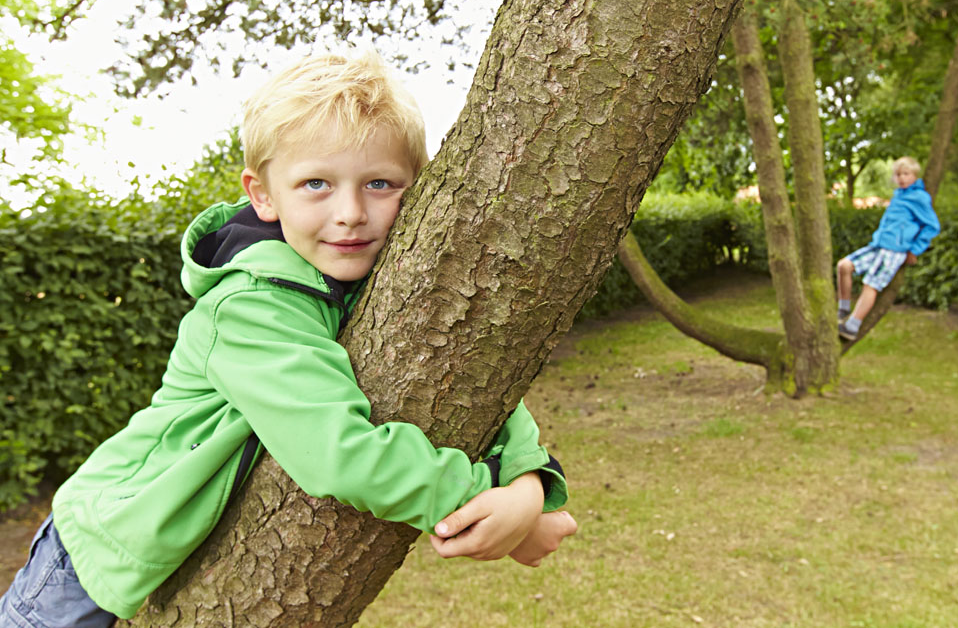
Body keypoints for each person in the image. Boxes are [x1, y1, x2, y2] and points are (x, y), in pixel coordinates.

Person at [0, 51, 577, 627]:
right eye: (316, 184)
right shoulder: (252, 305)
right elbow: (337, 452)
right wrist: (483, 501)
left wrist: (528, 481)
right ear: (264, 195)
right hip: (95, 547)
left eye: (380, 183)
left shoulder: (375, 280)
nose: (351, 213)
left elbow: (480, 376)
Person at [836, 156, 940, 342]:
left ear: (914, 175)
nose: (901, 178)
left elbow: (932, 226)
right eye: (898, 174)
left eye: (906, 174)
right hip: (878, 245)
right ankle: (843, 309)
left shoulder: (919, 198)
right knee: (844, 266)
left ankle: (852, 326)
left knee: (871, 284)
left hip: (895, 250)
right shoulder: (898, 195)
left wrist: (914, 249)